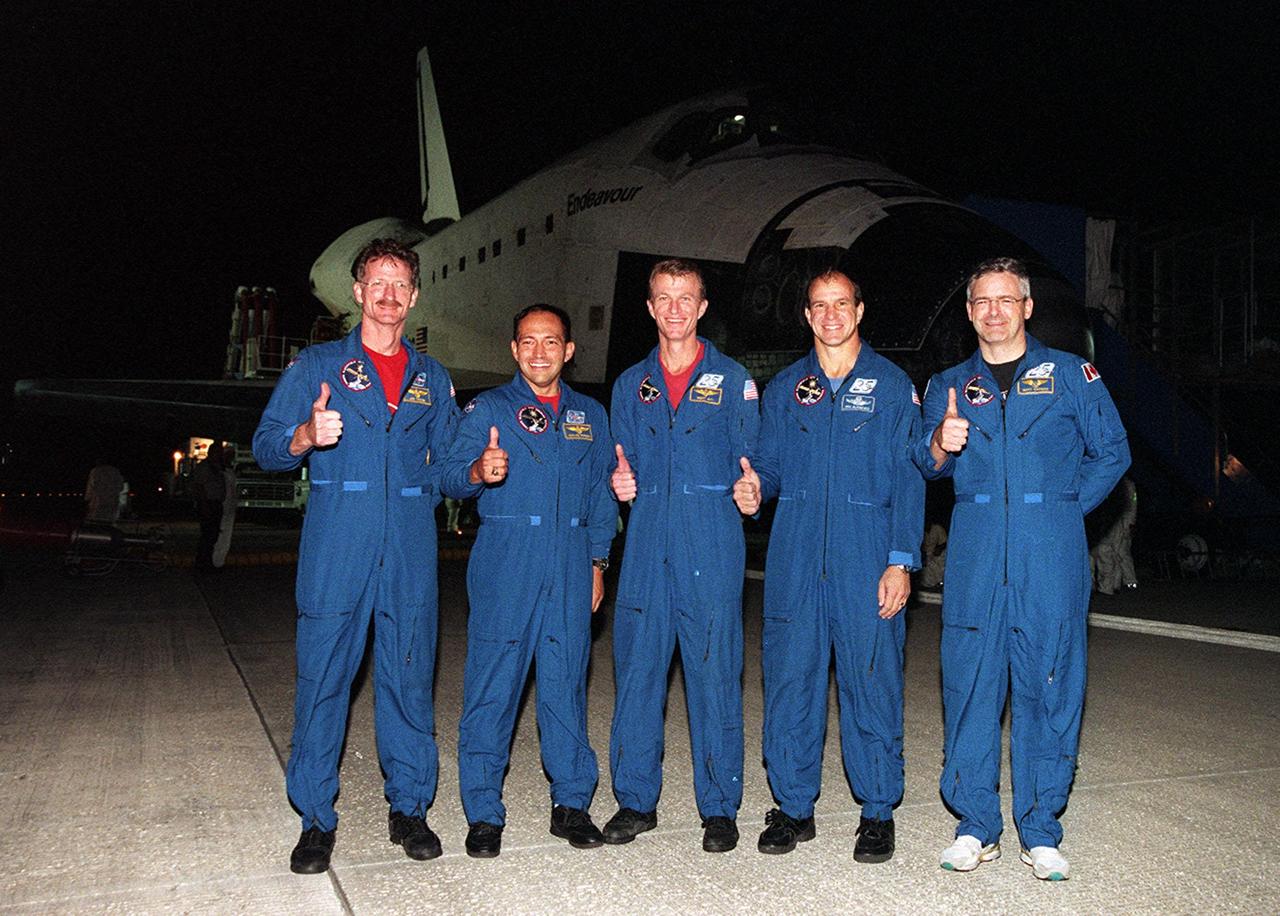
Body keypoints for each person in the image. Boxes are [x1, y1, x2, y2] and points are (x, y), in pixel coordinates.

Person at [914, 257, 1129, 881]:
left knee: (1050, 682)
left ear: (1027, 307)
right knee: (971, 686)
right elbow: (924, 464)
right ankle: (975, 825)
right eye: (982, 301)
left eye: (1006, 300)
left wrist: (1064, 509)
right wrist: (939, 443)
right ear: (969, 311)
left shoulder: (1071, 375)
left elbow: (1112, 451)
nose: (994, 311)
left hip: (1049, 555)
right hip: (977, 553)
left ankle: (1040, 829)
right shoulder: (948, 384)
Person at [252, 238, 458, 874]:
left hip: (409, 556)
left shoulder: (433, 379)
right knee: (323, 684)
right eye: (378, 282)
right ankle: (315, 818)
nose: (390, 294)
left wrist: (481, 467)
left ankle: (410, 808)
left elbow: (451, 466)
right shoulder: (316, 366)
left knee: (407, 682)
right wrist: (306, 435)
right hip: (338, 551)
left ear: (415, 296)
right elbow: (265, 446)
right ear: (359, 293)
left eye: (401, 284)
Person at [733, 269, 923, 863]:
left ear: (860, 310)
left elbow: (909, 479)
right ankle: (793, 807)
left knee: (872, 680)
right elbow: (768, 463)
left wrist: (900, 561)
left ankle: (876, 811)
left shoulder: (893, 387)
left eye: (842, 304)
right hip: (795, 557)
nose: (832, 315)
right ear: (808, 316)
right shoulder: (786, 388)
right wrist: (756, 487)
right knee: (791, 680)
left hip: (866, 556)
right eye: (820, 306)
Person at [442, 304, 617, 858]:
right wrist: (477, 471)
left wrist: (597, 562)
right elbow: (448, 475)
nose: (539, 351)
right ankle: (484, 813)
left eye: (551, 341)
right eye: (528, 342)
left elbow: (601, 494)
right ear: (514, 350)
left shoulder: (590, 413)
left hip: (569, 562)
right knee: (493, 689)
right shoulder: (488, 408)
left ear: (568, 351)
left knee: (565, 686)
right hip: (506, 559)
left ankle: (571, 803)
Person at [603, 259, 760, 853]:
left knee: (715, 674)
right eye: (663, 297)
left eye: (685, 297)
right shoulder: (629, 385)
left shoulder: (734, 379)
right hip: (646, 544)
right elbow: (618, 465)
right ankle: (635, 801)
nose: (674, 308)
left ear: (702, 307)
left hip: (711, 539)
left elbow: (758, 461)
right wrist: (618, 486)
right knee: (639, 673)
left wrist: (755, 489)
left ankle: (719, 808)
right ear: (650, 307)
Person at [192, 447, 225, 571]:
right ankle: (202, 562)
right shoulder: (204, 467)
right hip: (207, 504)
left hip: (216, 503)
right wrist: (204, 505)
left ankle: (208, 561)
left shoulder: (217, 467)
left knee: (213, 535)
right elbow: (199, 486)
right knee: (207, 535)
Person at [211, 446, 237, 568]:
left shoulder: (230, 470)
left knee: (226, 535)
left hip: (230, 506)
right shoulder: (217, 471)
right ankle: (215, 561)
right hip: (220, 506)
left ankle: (219, 562)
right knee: (219, 534)